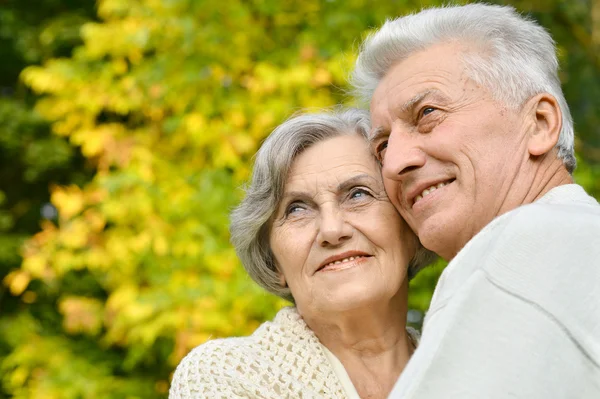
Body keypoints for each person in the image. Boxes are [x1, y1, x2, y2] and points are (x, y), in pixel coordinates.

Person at [351, 3, 600, 398]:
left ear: (539, 124)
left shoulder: (522, 245)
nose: (395, 163)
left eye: (428, 113)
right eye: (382, 147)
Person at [169, 108, 433, 399]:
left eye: (358, 194)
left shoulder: (470, 368)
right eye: (297, 209)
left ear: (409, 227)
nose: (332, 231)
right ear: (274, 262)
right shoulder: (225, 375)